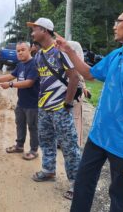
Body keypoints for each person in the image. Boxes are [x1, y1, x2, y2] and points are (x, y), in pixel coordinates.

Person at [54, 2, 123, 212]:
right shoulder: (117, 55)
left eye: (119, 21)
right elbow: (89, 74)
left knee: (120, 197)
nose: (115, 25)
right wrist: (69, 51)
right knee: (82, 186)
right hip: (98, 137)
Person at [27, 18, 81, 200]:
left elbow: (74, 77)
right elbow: (40, 80)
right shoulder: (39, 55)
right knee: (46, 141)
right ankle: (48, 170)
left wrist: (67, 103)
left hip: (60, 108)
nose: (32, 33)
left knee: (69, 146)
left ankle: (77, 183)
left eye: (34, 29)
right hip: (44, 108)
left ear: (44, 30)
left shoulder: (60, 51)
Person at [0, 41, 40, 160]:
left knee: (33, 127)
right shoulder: (20, 64)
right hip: (21, 102)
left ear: (29, 50)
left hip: (33, 104)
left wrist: (10, 85)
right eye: (18, 50)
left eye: (23, 50)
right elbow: (11, 76)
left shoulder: (34, 64)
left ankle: (34, 150)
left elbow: (29, 83)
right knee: (20, 124)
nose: (20, 52)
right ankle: (19, 146)